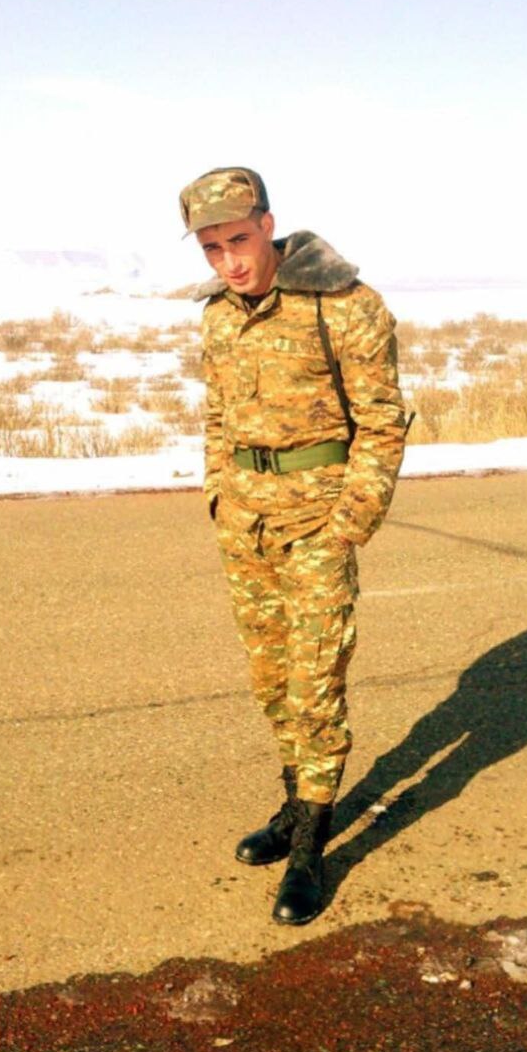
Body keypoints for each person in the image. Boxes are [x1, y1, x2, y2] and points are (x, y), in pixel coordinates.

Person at [179, 166, 407, 924]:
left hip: (317, 522)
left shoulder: (344, 306)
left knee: (315, 685)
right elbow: (218, 415)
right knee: (273, 680)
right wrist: (218, 492)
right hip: (246, 522)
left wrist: (348, 525)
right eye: (212, 248)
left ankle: (311, 847)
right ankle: (293, 806)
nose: (228, 262)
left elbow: (382, 424)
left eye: (238, 241)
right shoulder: (219, 317)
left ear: (268, 226)